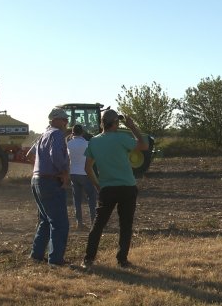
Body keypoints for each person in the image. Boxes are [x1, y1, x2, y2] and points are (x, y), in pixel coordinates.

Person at [81, 110, 148, 269]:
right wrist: (132, 126)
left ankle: (88, 259)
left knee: (98, 224)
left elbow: (87, 167)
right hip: (127, 187)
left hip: (107, 189)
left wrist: (98, 185)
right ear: (115, 123)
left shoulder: (94, 142)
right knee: (125, 225)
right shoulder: (122, 138)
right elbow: (144, 145)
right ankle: (122, 260)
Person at [30, 108, 70, 265]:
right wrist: (64, 171)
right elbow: (56, 156)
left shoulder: (43, 135)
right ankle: (55, 260)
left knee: (45, 220)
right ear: (55, 119)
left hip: (37, 180)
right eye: (64, 119)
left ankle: (37, 254)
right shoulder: (57, 134)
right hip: (50, 181)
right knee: (59, 223)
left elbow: (31, 154)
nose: (66, 122)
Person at [67, 124, 97, 230]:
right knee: (92, 196)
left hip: (73, 173)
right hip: (84, 173)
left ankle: (79, 223)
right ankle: (94, 221)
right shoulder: (87, 144)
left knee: (77, 199)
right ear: (83, 132)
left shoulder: (69, 144)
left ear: (72, 132)